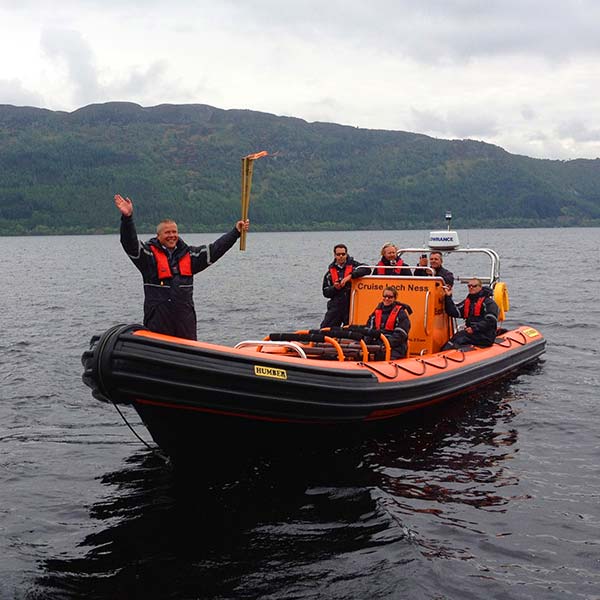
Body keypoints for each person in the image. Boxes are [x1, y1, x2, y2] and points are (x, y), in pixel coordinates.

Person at [114, 193, 249, 340]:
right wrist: (127, 219)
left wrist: (235, 232)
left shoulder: (190, 255)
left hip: (185, 326)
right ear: (158, 236)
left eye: (174, 232)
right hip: (158, 326)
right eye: (167, 232)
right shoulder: (148, 256)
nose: (172, 235)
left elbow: (216, 249)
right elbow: (130, 243)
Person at [320, 244, 370, 328]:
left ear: (346, 254)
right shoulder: (329, 274)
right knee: (325, 328)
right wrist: (335, 288)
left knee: (352, 329)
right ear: (335, 255)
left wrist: (351, 276)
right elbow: (326, 292)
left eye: (343, 254)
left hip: (351, 304)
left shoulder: (355, 266)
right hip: (336, 305)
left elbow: (367, 269)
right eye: (338, 254)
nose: (341, 256)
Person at [442, 278, 499, 349]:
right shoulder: (468, 301)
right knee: (455, 339)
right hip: (471, 334)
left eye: (474, 286)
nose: (471, 288)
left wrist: (474, 328)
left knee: (458, 339)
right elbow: (454, 312)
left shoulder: (489, 303)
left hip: (484, 336)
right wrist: (448, 297)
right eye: (469, 286)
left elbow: (491, 320)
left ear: (480, 287)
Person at [366, 286, 412, 359]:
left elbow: (401, 334)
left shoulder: (401, 313)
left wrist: (386, 344)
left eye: (390, 297)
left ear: (394, 298)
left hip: (396, 347)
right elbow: (369, 328)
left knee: (386, 355)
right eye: (385, 296)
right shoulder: (377, 312)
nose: (387, 299)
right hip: (378, 344)